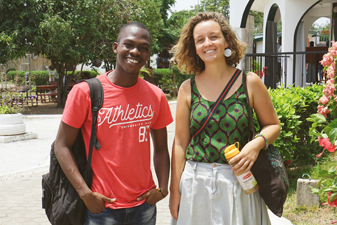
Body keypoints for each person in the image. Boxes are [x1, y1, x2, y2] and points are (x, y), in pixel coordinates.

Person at [54, 22, 173, 225]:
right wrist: (85, 194)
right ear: (115, 47)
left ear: (148, 53)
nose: (135, 51)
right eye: (128, 44)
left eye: (143, 47)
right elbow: (61, 145)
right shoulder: (85, 92)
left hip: (143, 206)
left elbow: (161, 148)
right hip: (102, 207)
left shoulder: (156, 95)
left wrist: (163, 188)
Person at [169, 12, 281, 225]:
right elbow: (180, 144)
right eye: (199, 40)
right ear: (194, 47)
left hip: (239, 181)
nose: (207, 43)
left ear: (226, 40)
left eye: (214, 36)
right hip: (195, 183)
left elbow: (273, 125)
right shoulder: (187, 89)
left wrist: (256, 145)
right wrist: (175, 190)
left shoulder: (250, 82)